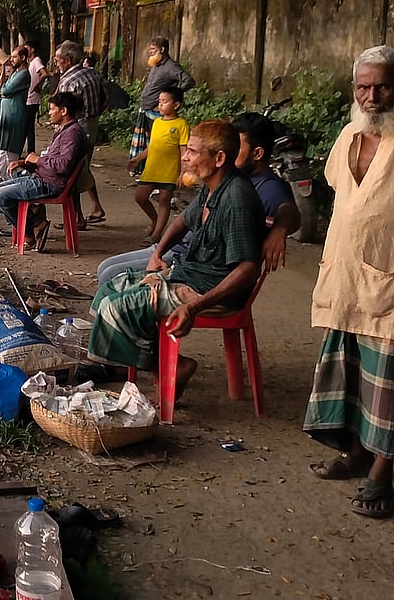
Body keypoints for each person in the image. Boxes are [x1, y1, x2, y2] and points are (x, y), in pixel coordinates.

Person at [87, 120, 265, 403]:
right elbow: (183, 221)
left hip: (211, 290)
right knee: (109, 289)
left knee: (116, 308)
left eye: (193, 152)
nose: (185, 157)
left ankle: (173, 365)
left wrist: (194, 307)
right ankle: (153, 360)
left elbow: (247, 269)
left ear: (218, 158)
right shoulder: (212, 187)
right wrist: (158, 253)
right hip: (190, 273)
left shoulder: (236, 198)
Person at [304, 45, 394, 519]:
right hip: (344, 277)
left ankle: (383, 471)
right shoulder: (348, 136)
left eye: (382, 85)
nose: (372, 95)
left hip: (388, 283)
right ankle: (357, 453)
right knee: (352, 373)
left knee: (387, 385)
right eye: (363, 86)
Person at [96, 112, 299, 285]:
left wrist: (279, 229)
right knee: (104, 268)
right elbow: (184, 219)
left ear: (257, 153)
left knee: (111, 276)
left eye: (237, 148)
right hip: (180, 249)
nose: (231, 152)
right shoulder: (225, 178)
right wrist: (158, 252)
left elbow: (289, 211)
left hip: (193, 260)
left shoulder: (261, 186)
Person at [0, 91, 87, 252]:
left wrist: (37, 160)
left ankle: (30, 230)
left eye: (51, 109)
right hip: (42, 177)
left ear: (63, 111)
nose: (49, 113)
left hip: (51, 184)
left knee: (1, 195)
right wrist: (25, 162)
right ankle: (35, 218)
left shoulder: (72, 134)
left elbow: (63, 165)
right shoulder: (64, 129)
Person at [54, 39, 107, 225]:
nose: (56, 63)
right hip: (91, 124)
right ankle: (95, 207)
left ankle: (76, 218)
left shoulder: (69, 81)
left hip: (75, 128)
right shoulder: (92, 74)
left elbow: (64, 112)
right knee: (82, 167)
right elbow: (104, 99)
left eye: (57, 60)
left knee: (71, 172)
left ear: (67, 60)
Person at [127, 87, 188, 242]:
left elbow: (184, 150)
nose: (160, 105)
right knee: (140, 197)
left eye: (164, 101)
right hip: (152, 168)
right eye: (159, 101)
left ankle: (157, 234)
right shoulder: (157, 122)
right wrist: (138, 158)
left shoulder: (181, 124)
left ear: (176, 105)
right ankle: (154, 220)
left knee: (164, 201)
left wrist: (183, 172)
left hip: (169, 170)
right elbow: (152, 146)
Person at [129, 36, 196, 170]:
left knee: (159, 145)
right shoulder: (155, 64)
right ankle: (146, 170)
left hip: (157, 112)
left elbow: (189, 81)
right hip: (146, 110)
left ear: (162, 49)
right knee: (149, 144)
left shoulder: (171, 66)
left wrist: (173, 95)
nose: (150, 52)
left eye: (153, 49)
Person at [0, 46, 32, 181]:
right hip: (7, 115)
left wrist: (4, 88)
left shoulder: (24, 74)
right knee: (3, 150)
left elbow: (6, 89)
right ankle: (0, 177)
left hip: (15, 115)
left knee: (10, 151)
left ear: (23, 57)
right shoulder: (15, 73)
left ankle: (7, 179)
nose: (11, 60)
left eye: (14, 57)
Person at [24, 40, 46, 155]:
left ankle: (30, 151)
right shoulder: (31, 62)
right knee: (28, 126)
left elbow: (44, 73)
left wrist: (37, 85)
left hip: (32, 98)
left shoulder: (36, 61)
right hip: (30, 97)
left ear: (32, 49)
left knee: (27, 125)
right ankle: (30, 150)